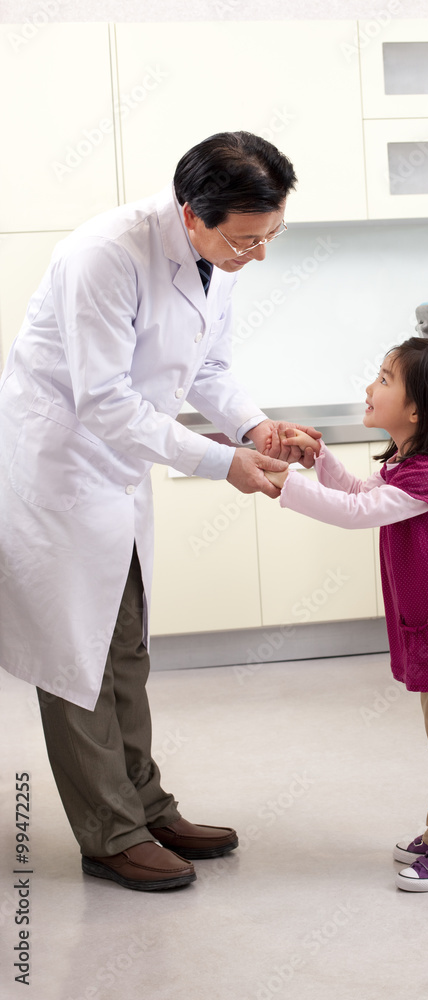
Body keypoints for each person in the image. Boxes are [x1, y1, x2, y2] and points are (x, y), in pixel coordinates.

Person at [0, 131, 320, 891]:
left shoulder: (222, 255)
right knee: (76, 658)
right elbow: (103, 399)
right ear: (190, 214)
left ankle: (145, 804)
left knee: (126, 651)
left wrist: (252, 426)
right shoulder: (103, 256)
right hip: (60, 473)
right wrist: (222, 462)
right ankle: (108, 832)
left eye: (270, 237)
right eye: (246, 240)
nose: (258, 255)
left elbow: (207, 365)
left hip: (120, 471)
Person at [264, 337, 428, 892]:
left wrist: (284, 483)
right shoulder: (408, 463)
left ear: (418, 407)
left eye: (383, 379)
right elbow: (356, 490)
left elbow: (356, 512)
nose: (369, 388)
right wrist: (318, 458)